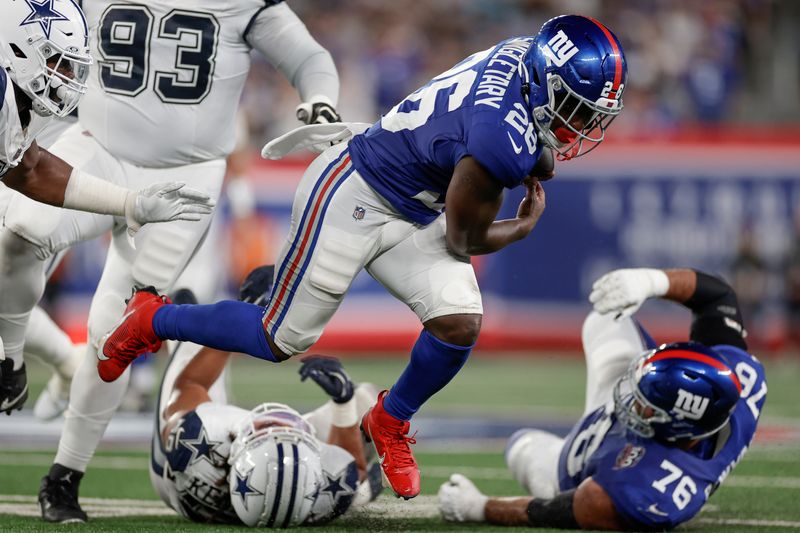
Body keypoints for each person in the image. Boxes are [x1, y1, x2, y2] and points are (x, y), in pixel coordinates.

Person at [100, 14, 627, 500]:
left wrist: (537, 145)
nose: (584, 124)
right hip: (356, 192)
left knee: (459, 324)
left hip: (415, 206)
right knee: (277, 337)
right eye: (579, 108)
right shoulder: (499, 141)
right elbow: (465, 239)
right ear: (546, 83)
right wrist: (523, 226)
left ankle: (389, 421)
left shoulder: (522, 56)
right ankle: (150, 318)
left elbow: (518, 148)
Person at [29, 0, 341, 523]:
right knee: (18, 240)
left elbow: (308, 57)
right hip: (99, 150)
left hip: (186, 181)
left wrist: (322, 98)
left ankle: (64, 475)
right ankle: (22, 359)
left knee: (116, 330)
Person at [438, 267, 767, 531]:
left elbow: (555, 511)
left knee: (521, 447)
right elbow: (718, 298)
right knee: (608, 313)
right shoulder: (738, 378)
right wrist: (651, 281)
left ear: (677, 428)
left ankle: (544, 460)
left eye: (644, 404)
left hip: (574, 466)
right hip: (638, 439)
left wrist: (479, 508)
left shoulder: (648, 488)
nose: (628, 399)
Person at [0, 0, 216, 398]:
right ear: (17, 49)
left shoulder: (13, 100)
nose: (65, 78)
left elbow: (29, 170)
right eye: (57, 63)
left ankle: (26, 366)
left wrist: (131, 203)